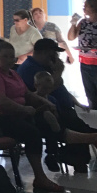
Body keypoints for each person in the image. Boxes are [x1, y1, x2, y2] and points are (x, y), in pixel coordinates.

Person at [0, 38, 86, 193]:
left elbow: (27, 94)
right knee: (31, 132)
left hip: (12, 115)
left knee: (46, 120)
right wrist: (23, 109)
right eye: (4, 56)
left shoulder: (12, 73)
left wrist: (45, 103)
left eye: (11, 57)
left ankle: (59, 153)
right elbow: (0, 101)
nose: (9, 60)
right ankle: (40, 177)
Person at [18, 38, 96, 173]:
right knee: (83, 131)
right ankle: (73, 160)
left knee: (84, 128)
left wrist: (76, 102)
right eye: (53, 54)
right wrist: (59, 72)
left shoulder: (45, 67)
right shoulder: (30, 69)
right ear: (43, 53)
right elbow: (46, 90)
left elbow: (60, 88)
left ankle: (77, 160)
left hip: (64, 108)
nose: (55, 57)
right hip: (48, 111)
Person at [68, 0, 97, 110]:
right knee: (90, 92)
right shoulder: (83, 23)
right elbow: (71, 37)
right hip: (85, 62)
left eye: (87, 6)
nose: (84, 8)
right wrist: (74, 23)